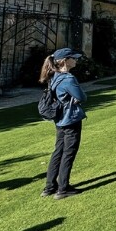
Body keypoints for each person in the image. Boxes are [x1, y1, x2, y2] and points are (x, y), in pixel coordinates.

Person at [39, 47, 87, 200]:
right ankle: (63, 188)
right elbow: (82, 96)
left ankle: (49, 186)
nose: (76, 60)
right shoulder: (68, 79)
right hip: (70, 119)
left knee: (58, 151)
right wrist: (77, 97)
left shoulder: (54, 76)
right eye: (73, 58)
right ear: (65, 61)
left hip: (59, 120)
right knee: (68, 153)